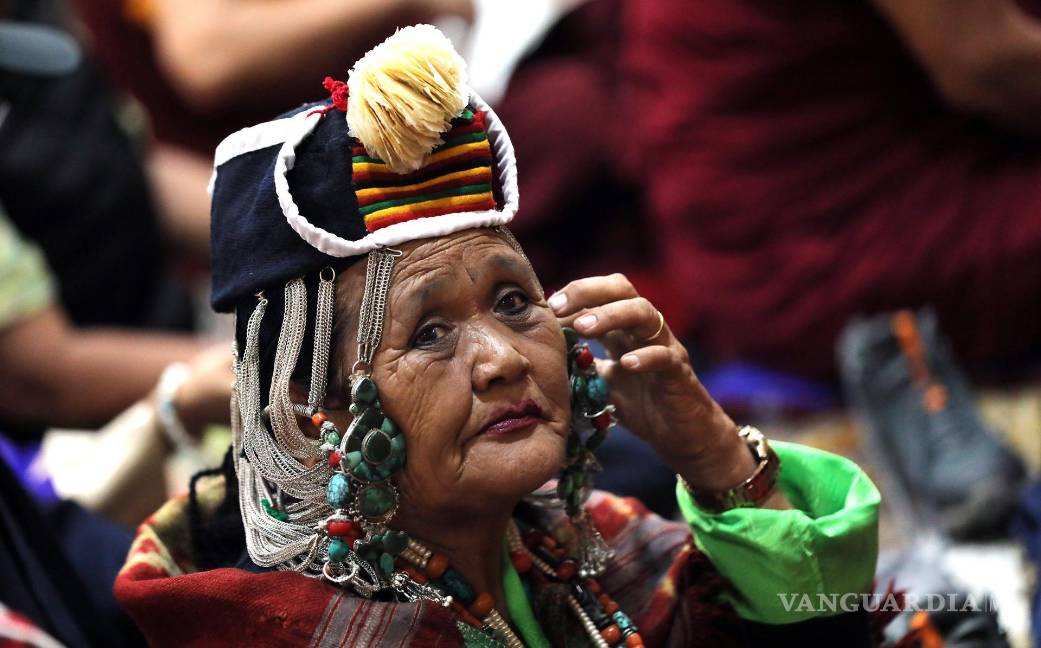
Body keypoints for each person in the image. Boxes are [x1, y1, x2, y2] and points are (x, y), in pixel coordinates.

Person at [114, 26, 886, 646]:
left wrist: (711, 450)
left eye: (515, 300)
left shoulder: (582, 545)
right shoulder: (273, 630)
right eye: (429, 333)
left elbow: (825, 621)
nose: (504, 358)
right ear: (312, 402)